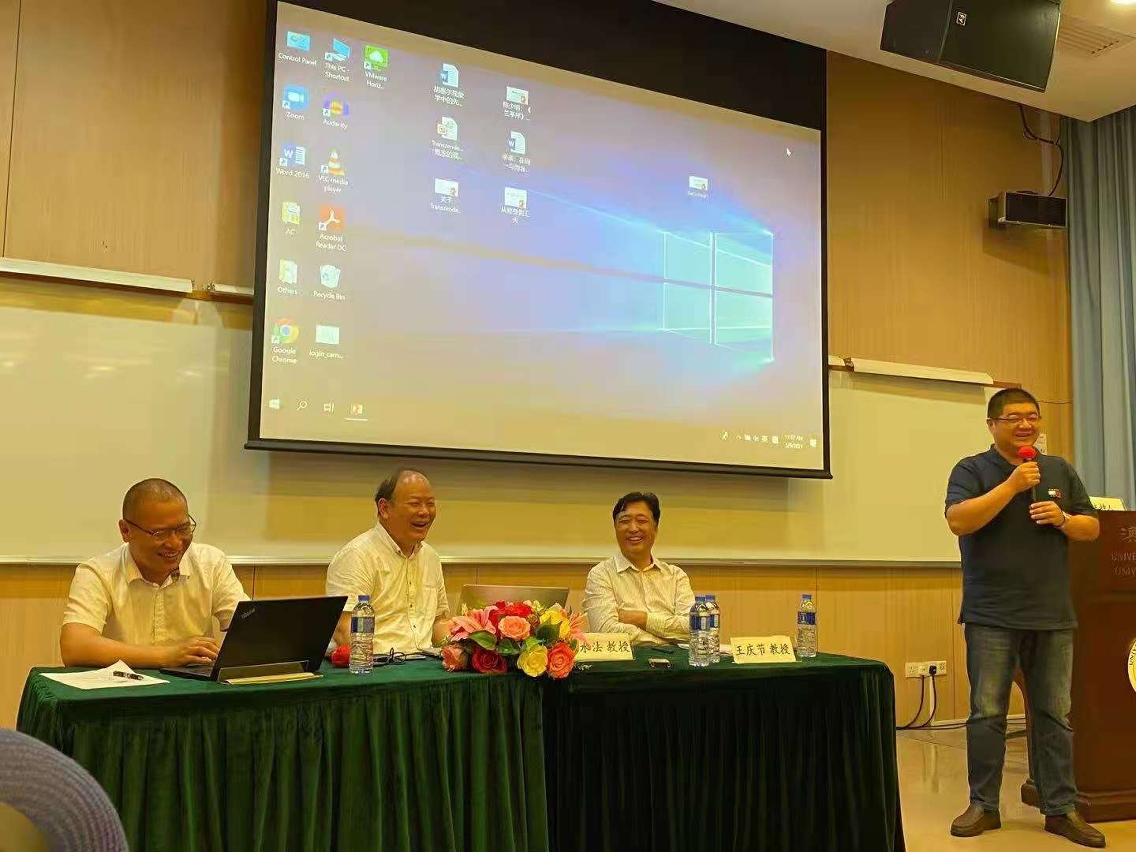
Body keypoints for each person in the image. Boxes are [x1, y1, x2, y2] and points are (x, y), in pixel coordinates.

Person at [945, 388, 1104, 848]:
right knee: (988, 712)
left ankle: (1061, 808)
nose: (1025, 425)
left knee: (1055, 713)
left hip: (1052, 614)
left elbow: (1091, 527)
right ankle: (983, 805)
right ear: (992, 425)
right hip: (991, 613)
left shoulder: (1058, 470)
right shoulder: (972, 469)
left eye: (1032, 416)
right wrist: (1011, 486)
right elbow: (959, 520)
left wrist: (1063, 519)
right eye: (1013, 417)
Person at [59, 479, 248, 669]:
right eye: (160, 533)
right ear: (125, 531)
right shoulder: (98, 573)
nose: (175, 543)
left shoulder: (211, 563)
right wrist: (168, 656)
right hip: (123, 685)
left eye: (183, 529)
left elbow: (251, 628)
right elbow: (75, 647)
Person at [326, 468, 451, 655]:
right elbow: (344, 630)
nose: (425, 512)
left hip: (424, 663)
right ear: (384, 508)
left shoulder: (431, 557)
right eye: (415, 504)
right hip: (377, 664)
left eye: (430, 504)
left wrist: (461, 648)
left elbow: (438, 622)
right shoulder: (357, 556)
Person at [582, 491, 695, 646]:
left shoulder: (676, 576)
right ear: (615, 528)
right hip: (628, 662)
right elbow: (606, 631)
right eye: (625, 521)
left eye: (641, 521)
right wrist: (666, 640)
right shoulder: (601, 575)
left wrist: (641, 619)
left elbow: (693, 628)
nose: (633, 528)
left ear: (655, 528)